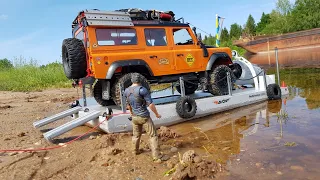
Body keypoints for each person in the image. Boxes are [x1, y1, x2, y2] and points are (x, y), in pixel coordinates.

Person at [124, 73, 162, 162]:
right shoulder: (142, 90)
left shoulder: (126, 91)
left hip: (134, 117)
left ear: (132, 80)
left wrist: (131, 113)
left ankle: (135, 151)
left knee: (136, 135)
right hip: (144, 117)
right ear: (140, 80)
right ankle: (156, 156)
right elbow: (151, 104)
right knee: (153, 136)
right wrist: (157, 114)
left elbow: (128, 105)